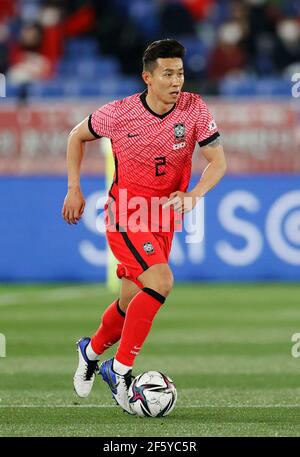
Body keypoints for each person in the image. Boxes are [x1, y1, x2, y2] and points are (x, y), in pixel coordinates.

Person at [62, 39, 226, 415]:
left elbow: (217, 162)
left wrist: (194, 194)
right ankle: (119, 371)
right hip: (127, 215)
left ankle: (89, 352)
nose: (176, 81)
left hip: (164, 217)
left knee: (129, 300)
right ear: (147, 78)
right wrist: (74, 188)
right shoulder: (120, 113)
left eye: (180, 73)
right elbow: (76, 136)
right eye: (167, 74)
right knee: (161, 281)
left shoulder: (195, 108)